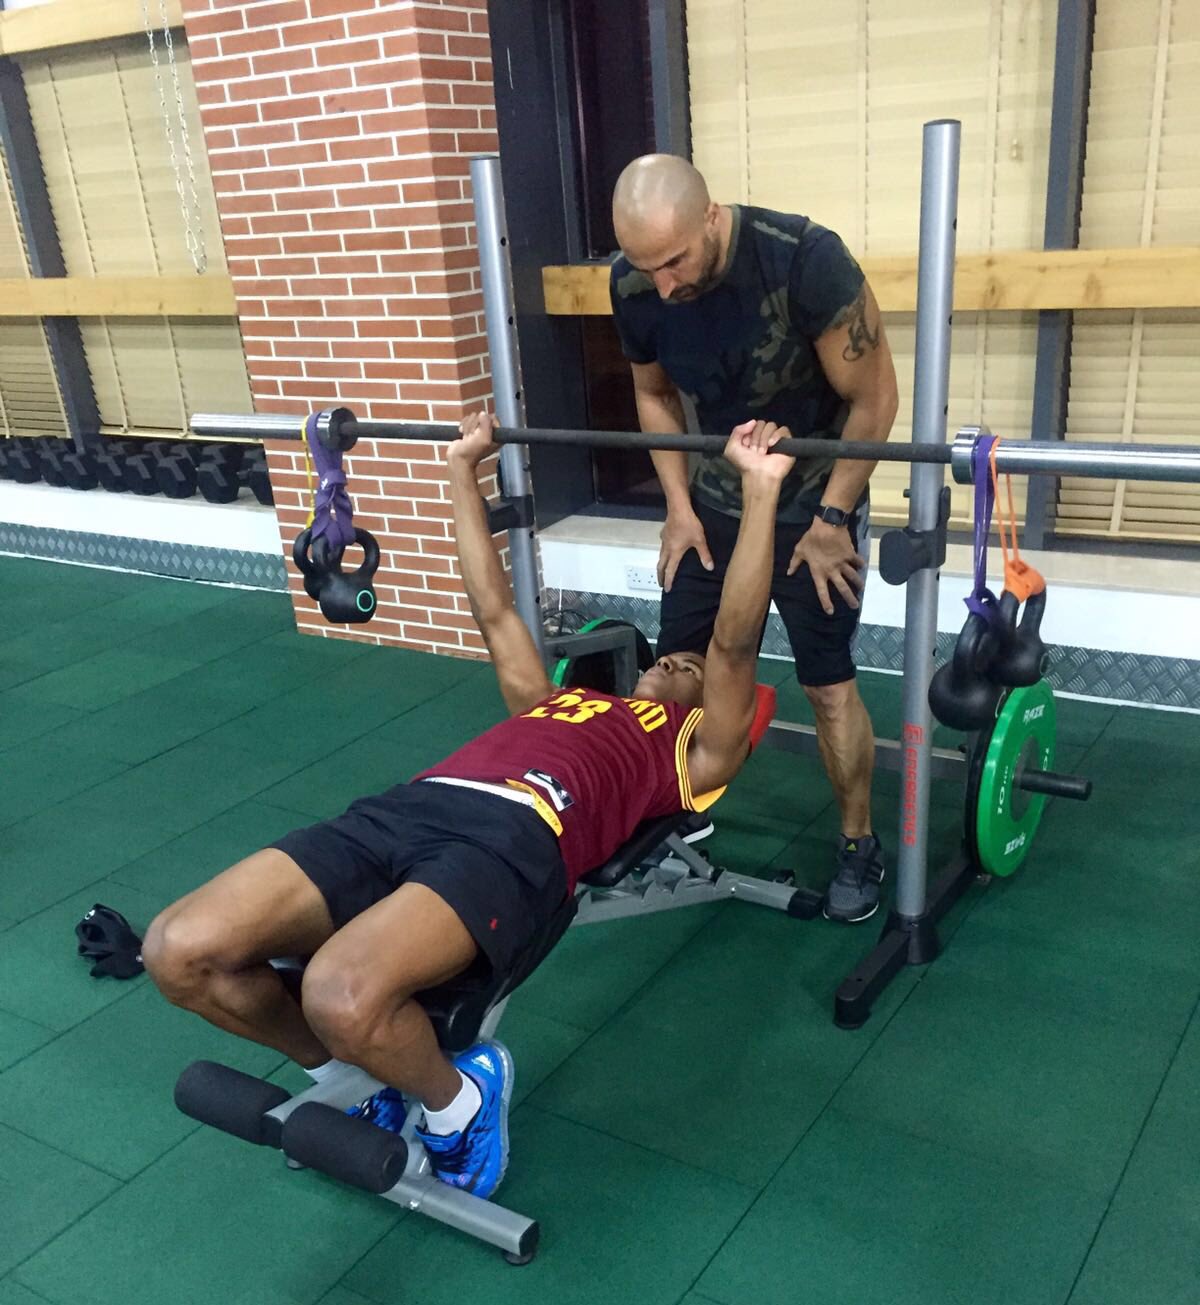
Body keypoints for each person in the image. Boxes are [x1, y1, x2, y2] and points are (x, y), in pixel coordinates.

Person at [143, 414, 797, 1201]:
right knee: (179, 951)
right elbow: (494, 609)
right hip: (403, 811)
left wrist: (760, 493)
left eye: (685, 667)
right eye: (667, 657)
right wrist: (461, 468)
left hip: (512, 840)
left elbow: (731, 642)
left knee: (337, 991)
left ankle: (459, 1104)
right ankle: (353, 1073)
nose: (673, 661)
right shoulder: (548, 702)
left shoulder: (689, 752)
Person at [609, 153, 900, 922]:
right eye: (647, 268)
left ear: (712, 216)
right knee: (679, 670)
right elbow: (652, 391)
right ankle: (677, 808)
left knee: (827, 682)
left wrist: (837, 517)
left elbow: (873, 400)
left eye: (675, 261)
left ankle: (856, 842)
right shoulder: (636, 279)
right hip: (714, 498)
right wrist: (677, 504)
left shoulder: (804, 260)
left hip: (812, 502)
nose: (662, 285)